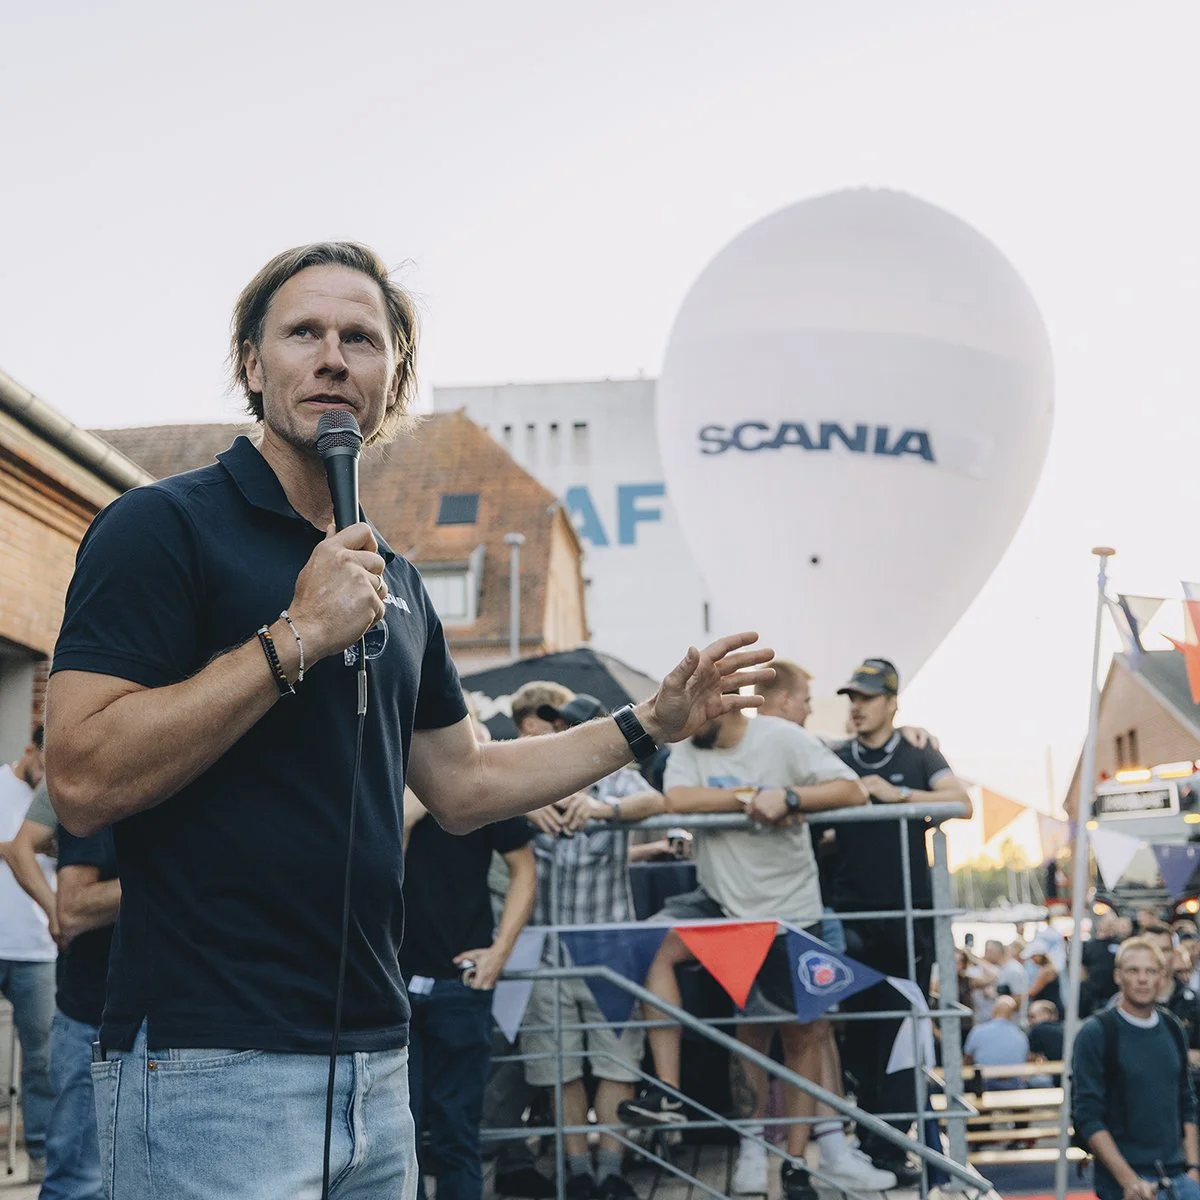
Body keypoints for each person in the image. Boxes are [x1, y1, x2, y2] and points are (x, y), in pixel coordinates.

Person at [44, 240, 775, 1200]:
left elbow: (466, 784)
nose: (332, 357)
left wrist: (648, 723)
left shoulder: (394, 580)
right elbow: (82, 773)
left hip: (377, 1066)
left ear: (393, 380)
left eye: (361, 338)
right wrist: (297, 637)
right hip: (206, 1065)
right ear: (252, 365)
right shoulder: (162, 527)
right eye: (303, 333)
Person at [618, 705, 894, 1200]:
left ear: (725, 701)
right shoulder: (689, 747)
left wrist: (789, 796)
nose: (683, 721)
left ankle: (795, 1164)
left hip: (789, 911)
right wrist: (752, 797)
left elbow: (852, 789)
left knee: (802, 1035)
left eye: (694, 707)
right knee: (656, 951)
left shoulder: (781, 738)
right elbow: (677, 798)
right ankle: (672, 1095)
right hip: (722, 906)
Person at [827, 658, 972, 1185]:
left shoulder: (918, 750)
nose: (857, 707)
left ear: (892, 703)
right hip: (849, 916)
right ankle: (868, 1150)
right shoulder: (835, 755)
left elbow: (961, 803)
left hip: (906, 922)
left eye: (867, 697)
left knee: (904, 1034)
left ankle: (885, 1149)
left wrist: (900, 796)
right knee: (856, 1037)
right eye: (852, 697)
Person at [524, 693, 667, 1200]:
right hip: (544, 951)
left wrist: (604, 809)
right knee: (557, 1068)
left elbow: (657, 803)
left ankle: (610, 1172)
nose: (562, 732)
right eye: (558, 724)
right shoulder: (532, 777)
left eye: (571, 724)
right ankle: (579, 1174)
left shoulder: (618, 776)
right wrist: (526, 808)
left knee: (617, 1065)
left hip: (609, 947)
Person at [401, 704, 537, 1200]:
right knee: (400, 1136)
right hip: (392, 983)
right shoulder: (385, 782)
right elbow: (377, 867)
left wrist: (500, 950)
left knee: (458, 1132)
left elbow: (524, 867)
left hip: (460, 981)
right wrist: (411, 811)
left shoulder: (476, 783)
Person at [1072, 937, 1200, 1200]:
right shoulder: (1096, 1032)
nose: (1142, 979)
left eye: (1150, 971)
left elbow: (1185, 1100)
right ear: (1118, 976)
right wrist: (1129, 1181)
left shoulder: (1172, 1026)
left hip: (1180, 1177)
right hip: (1126, 1183)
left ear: (1162, 977)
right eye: (1133, 970)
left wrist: (1193, 1168)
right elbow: (1087, 1115)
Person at [0, 727, 55, 1184]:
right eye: (44, 760)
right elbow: (21, 848)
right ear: (30, 749)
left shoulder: (60, 795)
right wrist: (22, 846)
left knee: (42, 1061)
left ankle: (40, 1159)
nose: (47, 773)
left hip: (37, 950)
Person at [962, 996, 1028, 1089]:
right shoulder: (1021, 1035)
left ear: (993, 1011)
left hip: (985, 1084)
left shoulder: (978, 1031)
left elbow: (967, 1061)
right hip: (1014, 1085)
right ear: (1011, 1015)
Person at [1081, 913, 1122, 1016]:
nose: (1110, 925)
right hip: (1092, 994)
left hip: (1113, 994)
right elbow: (1082, 967)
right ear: (1100, 923)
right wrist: (1086, 985)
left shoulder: (1119, 944)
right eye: (1108, 922)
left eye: (1113, 923)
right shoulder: (1090, 945)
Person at [1022, 928, 1065, 1019]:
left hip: (1048, 1011)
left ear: (1039, 956)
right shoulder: (1048, 968)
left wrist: (1016, 997)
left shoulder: (1046, 971)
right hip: (1049, 1009)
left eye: (1033, 957)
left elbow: (1033, 992)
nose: (1032, 960)